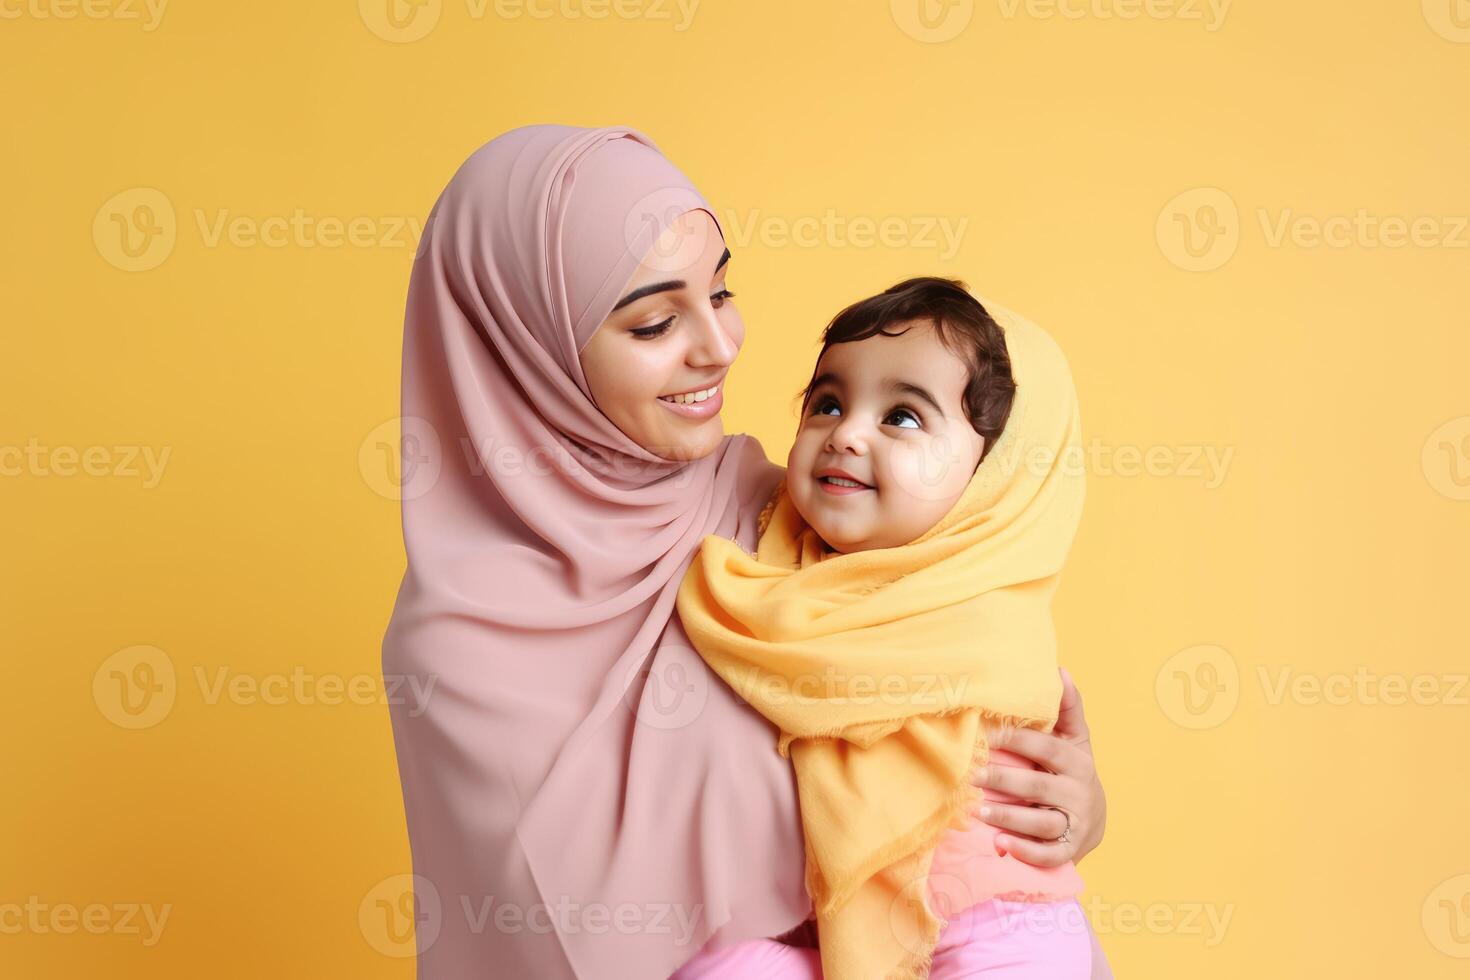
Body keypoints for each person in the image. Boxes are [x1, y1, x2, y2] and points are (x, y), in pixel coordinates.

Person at [381, 124, 1109, 980]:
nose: (722, 346)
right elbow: (553, 925)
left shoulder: (779, 507)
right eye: (655, 322)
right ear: (522, 350)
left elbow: (949, 689)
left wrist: (1058, 806)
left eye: (721, 293)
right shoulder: (457, 651)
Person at [675, 277, 1091, 978]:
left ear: (995, 474)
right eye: (828, 403)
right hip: (814, 924)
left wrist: (1088, 807)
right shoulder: (761, 570)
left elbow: (1046, 768)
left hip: (998, 920)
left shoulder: (986, 604)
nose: (846, 434)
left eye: (902, 416)